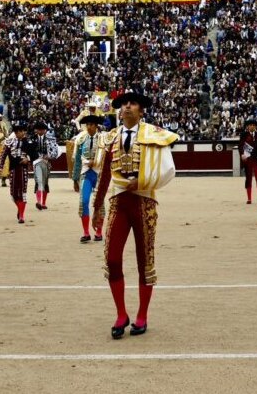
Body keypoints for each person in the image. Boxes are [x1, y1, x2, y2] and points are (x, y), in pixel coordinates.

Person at [91, 91, 178, 339]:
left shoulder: (154, 134)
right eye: (123, 104)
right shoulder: (109, 137)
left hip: (144, 202)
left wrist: (139, 182)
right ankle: (121, 314)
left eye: (132, 104)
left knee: (145, 261)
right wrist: (97, 206)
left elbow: (168, 170)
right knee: (112, 259)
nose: (127, 107)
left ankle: (142, 315)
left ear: (141, 111)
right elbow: (104, 175)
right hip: (119, 202)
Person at [71, 113, 106, 243]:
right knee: (84, 201)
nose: (89, 127)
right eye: (87, 125)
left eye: (91, 125)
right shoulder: (80, 139)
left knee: (99, 203)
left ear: (96, 126)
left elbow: (107, 159)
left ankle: (99, 231)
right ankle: (86, 232)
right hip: (86, 174)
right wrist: (75, 179)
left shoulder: (104, 139)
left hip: (99, 174)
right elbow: (78, 162)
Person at [0, 122, 35, 223]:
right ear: (17, 132)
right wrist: (0, 166)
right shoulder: (9, 142)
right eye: (22, 131)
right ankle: (20, 209)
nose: (24, 133)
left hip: (23, 169)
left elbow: (34, 154)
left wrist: (27, 159)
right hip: (13, 169)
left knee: (23, 192)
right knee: (13, 194)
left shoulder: (28, 142)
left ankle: (22, 215)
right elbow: (3, 154)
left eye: (24, 131)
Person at [31, 120, 60, 210]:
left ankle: (43, 202)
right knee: (39, 181)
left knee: (45, 182)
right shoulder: (32, 139)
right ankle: (39, 202)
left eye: (42, 130)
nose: (40, 131)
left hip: (47, 163)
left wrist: (50, 156)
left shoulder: (51, 139)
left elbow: (55, 152)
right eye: (38, 129)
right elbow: (29, 151)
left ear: (45, 130)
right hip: (37, 162)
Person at [240, 118, 257, 204]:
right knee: (248, 178)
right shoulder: (244, 135)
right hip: (248, 159)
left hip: (256, 159)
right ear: (248, 126)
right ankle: (249, 199)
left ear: (256, 127)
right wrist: (242, 154)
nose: (252, 126)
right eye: (250, 125)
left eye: (254, 125)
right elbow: (241, 146)